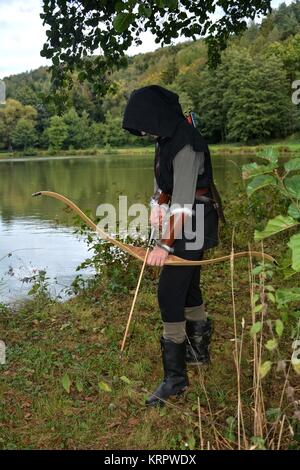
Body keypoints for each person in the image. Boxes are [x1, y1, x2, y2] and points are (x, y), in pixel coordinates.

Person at [122, 85, 225, 407]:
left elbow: (182, 203)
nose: (142, 130)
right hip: (185, 219)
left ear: (157, 115)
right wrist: (156, 202)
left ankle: (176, 380)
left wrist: (164, 247)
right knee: (188, 287)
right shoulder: (165, 138)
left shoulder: (187, 143)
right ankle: (197, 353)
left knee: (169, 292)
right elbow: (164, 184)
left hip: (195, 222)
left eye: (143, 123)